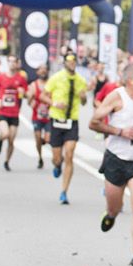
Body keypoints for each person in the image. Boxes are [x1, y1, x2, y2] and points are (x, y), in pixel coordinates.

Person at [90, 60, 133, 266]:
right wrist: (120, 132)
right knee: (115, 207)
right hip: (117, 160)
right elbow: (94, 122)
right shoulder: (117, 97)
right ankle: (110, 215)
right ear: (131, 80)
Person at [45, 50, 91, 205]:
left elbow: (84, 102)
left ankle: (64, 192)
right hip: (57, 120)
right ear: (64, 62)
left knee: (70, 154)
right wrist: (54, 103)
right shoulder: (56, 78)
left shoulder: (80, 80)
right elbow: (43, 95)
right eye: (69, 61)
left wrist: (84, 98)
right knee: (57, 157)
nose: (72, 63)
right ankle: (57, 165)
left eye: (74, 61)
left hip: (72, 120)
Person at [0, 58, 29, 171]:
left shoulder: (21, 79)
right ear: (7, 63)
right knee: (6, 133)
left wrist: (23, 93)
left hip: (14, 113)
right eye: (10, 61)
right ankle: (0, 140)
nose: (12, 63)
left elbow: (26, 94)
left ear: (17, 64)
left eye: (14, 61)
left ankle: (7, 161)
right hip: (3, 111)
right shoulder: (1, 77)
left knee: (11, 140)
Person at [26, 65, 52, 170]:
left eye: (45, 70)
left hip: (49, 117)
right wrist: (30, 100)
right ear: (37, 73)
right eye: (41, 70)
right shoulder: (33, 85)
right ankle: (40, 157)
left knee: (48, 139)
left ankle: (44, 142)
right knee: (37, 137)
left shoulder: (51, 84)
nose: (43, 72)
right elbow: (29, 100)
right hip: (37, 116)